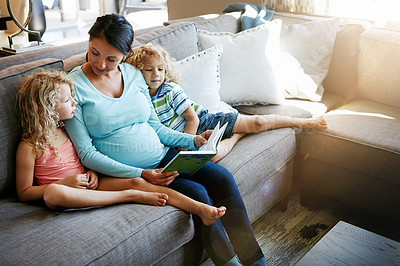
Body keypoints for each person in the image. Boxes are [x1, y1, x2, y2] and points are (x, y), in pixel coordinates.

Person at [64, 13, 268, 266]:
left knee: (222, 177)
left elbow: (154, 126)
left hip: (165, 156)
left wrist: (190, 141)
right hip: (129, 173)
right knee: (197, 193)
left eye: (111, 58)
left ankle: (255, 260)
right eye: (94, 52)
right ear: (89, 42)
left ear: (125, 56)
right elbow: (86, 153)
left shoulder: (134, 75)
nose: (101, 64)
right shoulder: (72, 86)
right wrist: (142, 173)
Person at [15, 71, 226, 226]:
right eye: (67, 100)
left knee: (137, 181)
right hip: (63, 194)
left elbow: (85, 156)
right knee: (53, 192)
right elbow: (24, 193)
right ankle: (129, 195)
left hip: (90, 185)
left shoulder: (65, 129)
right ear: (48, 108)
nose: (74, 104)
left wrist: (92, 173)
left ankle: (201, 210)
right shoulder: (29, 146)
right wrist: (66, 183)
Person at [127, 43, 329, 162]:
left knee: (257, 123)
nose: (156, 74)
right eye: (149, 69)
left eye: (161, 69)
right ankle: (237, 135)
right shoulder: (138, 98)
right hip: (187, 137)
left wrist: (185, 145)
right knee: (212, 158)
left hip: (203, 122)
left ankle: (303, 122)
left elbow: (193, 119)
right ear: (137, 71)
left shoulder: (170, 90)